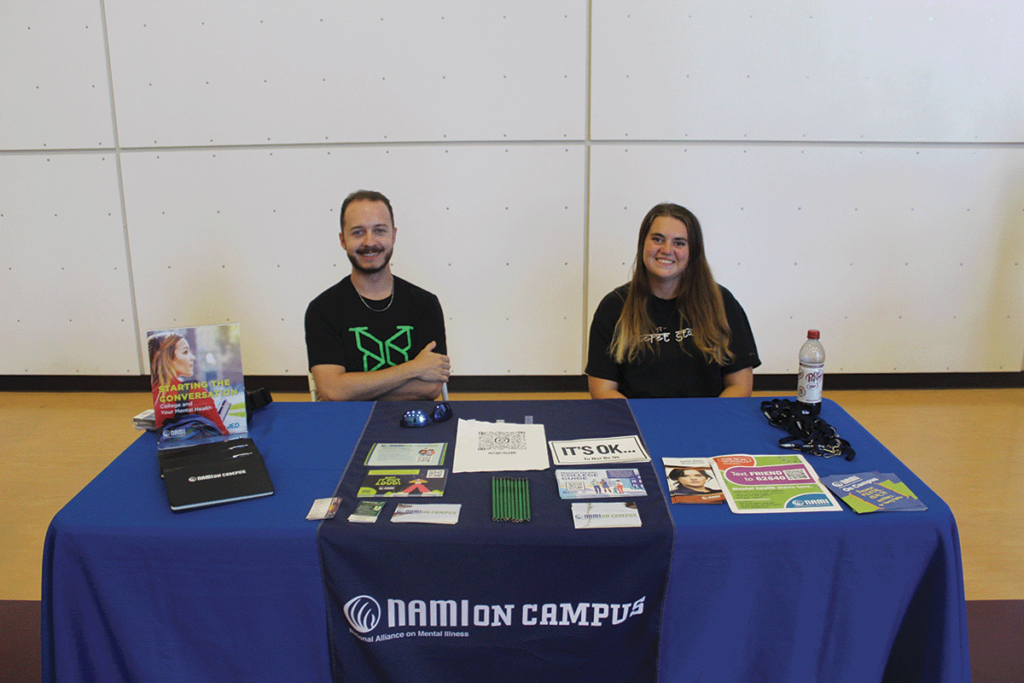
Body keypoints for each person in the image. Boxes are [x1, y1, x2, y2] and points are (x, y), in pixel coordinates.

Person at [586, 203, 760, 398]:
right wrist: (641, 424)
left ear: (693, 251)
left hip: (707, 421)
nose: (667, 250)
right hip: (639, 422)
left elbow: (739, 386)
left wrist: (710, 423)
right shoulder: (613, 307)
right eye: (658, 239)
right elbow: (603, 391)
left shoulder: (722, 302)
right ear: (643, 244)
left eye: (679, 243)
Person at [305, 190, 450, 401]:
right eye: (357, 232)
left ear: (394, 235)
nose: (369, 242)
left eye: (379, 230)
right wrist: (413, 368)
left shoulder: (425, 304)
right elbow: (332, 391)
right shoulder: (322, 310)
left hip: (414, 425)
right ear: (342, 240)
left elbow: (430, 388)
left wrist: (353, 388)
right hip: (347, 427)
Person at [148, 332, 229, 438]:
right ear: (167, 357)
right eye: (185, 352)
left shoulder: (154, 390)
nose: (193, 357)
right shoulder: (194, 390)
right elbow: (222, 433)